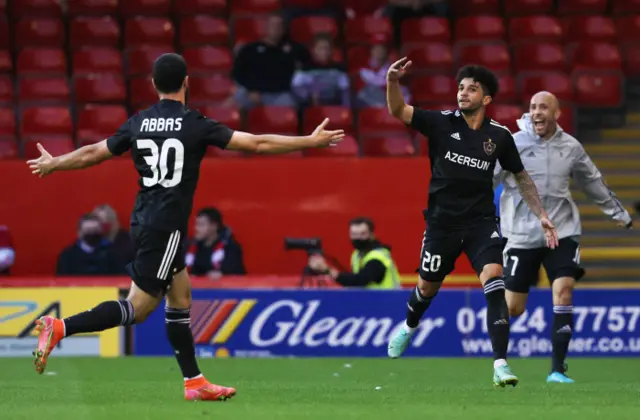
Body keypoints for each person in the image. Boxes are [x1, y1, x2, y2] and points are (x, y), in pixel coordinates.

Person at [26, 53, 344, 401]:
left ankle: (194, 382)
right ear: (187, 81)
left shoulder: (139, 122)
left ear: (153, 85)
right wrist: (309, 142)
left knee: (181, 297)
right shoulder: (195, 122)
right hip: (164, 226)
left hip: (146, 219)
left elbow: (93, 153)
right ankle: (59, 327)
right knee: (138, 309)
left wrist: (55, 163)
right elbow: (256, 143)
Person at [384, 60, 558, 387]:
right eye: (461, 87)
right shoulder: (439, 123)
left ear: (486, 98)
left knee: (494, 280)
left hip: (480, 223)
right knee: (426, 288)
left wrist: (542, 215)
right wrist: (392, 81)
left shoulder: (499, 137)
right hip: (442, 225)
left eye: (472, 88)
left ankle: (500, 364)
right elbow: (397, 110)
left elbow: (521, 178)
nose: (463, 93)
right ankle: (408, 326)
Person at [495, 91, 633, 384]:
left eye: (543, 107)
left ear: (557, 113)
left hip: (562, 230)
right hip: (521, 233)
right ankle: (500, 363)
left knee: (564, 289)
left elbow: (592, 180)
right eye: (532, 107)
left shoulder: (570, 147)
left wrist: (618, 213)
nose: (537, 112)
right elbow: (487, 179)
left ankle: (557, 369)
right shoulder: (513, 143)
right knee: (513, 308)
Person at [307, 217, 401, 289]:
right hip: (372, 304)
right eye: (354, 234)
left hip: (388, 304)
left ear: (371, 235)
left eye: (362, 234)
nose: (358, 238)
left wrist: (327, 270)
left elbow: (359, 280)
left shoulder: (378, 257)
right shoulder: (357, 254)